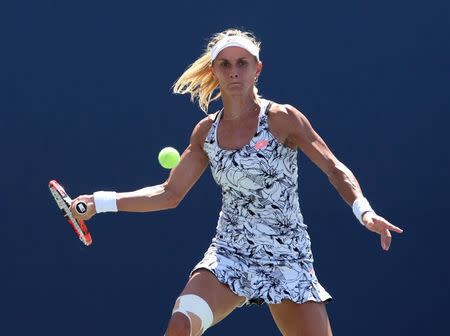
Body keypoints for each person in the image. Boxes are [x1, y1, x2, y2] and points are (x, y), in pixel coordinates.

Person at [70, 28, 403, 336]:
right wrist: (98, 202)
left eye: (242, 64)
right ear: (214, 71)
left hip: (287, 258)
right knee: (181, 323)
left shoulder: (282, 119)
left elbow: (334, 168)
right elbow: (169, 193)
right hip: (230, 254)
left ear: (257, 70)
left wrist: (365, 212)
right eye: (225, 64)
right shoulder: (205, 133)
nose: (234, 72)